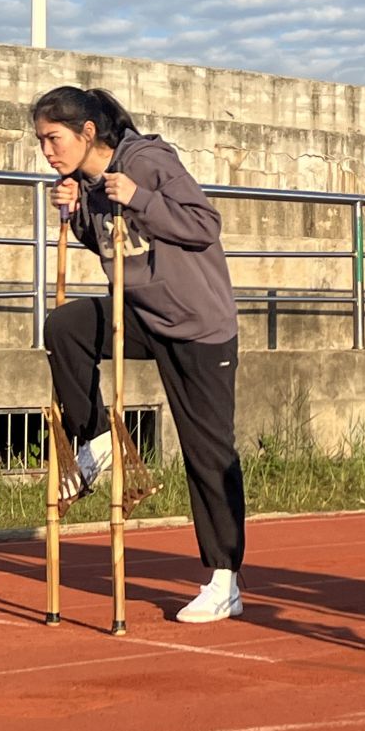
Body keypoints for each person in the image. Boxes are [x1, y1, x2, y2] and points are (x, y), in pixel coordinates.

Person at [34, 85, 247, 624]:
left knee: (208, 453)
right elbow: (113, 242)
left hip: (198, 326)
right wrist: (77, 215)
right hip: (140, 315)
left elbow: (204, 225)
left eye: (53, 139)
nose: (47, 152)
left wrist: (139, 196)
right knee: (66, 326)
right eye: (40, 142)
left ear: (87, 133)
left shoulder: (147, 161)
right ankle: (98, 441)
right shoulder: (87, 183)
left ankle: (224, 577)